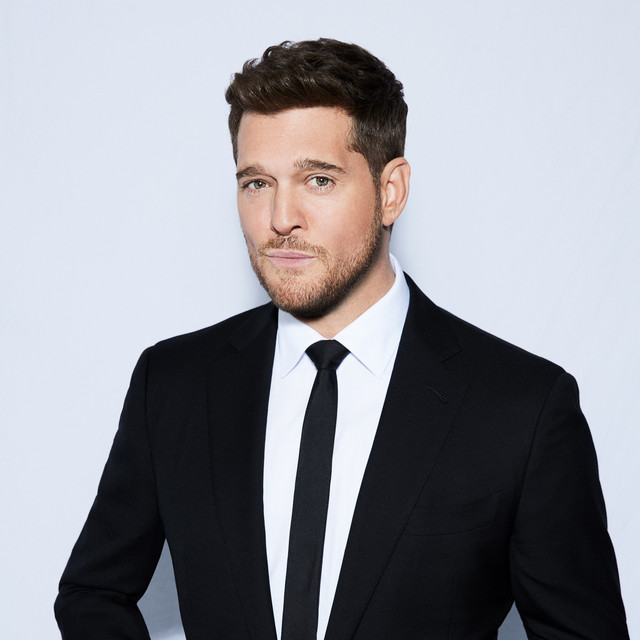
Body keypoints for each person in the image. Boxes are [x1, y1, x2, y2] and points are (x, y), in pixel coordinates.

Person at [55, 38, 629, 640]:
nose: (281, 218)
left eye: (318, 180)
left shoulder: (522, 408)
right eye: (257, 183)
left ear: (391, 191)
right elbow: (93, 594)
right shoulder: (173, 384)